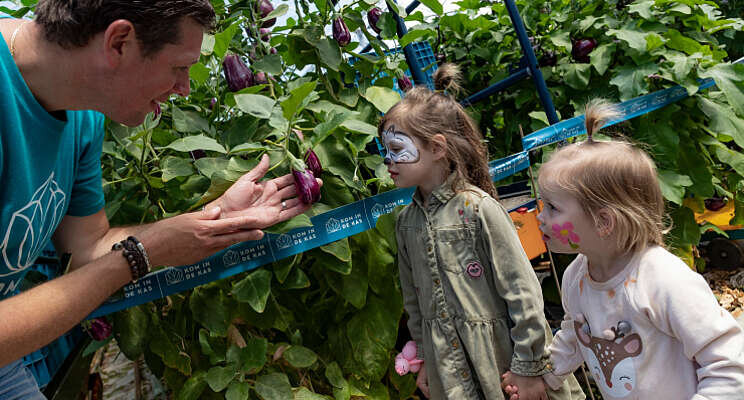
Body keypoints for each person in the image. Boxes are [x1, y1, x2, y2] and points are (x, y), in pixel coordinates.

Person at [0, 1, 317, 397]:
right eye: (179, 67)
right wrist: (139, 255)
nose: (185, 87)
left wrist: (210, 219)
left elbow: (88, 246)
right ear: (119, 42)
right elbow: (122, 258)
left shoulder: (82, 117)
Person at [502, 99, 744, 399]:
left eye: (552, 207)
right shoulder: (578, 275)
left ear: (603, 222)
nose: (540, 216)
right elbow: (576, 336)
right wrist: (544, 377)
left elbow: (728, 363)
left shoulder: (664, 280)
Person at [382, 63, 584, 400]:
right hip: (449, 368)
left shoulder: (478, 209)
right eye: (384, 150)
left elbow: (523, 292)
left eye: (398, 149)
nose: (388, 160)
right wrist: (426, 362)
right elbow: (413, 302)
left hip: (505, 361)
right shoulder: (405, 224)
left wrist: (529, 365)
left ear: (437, 148)